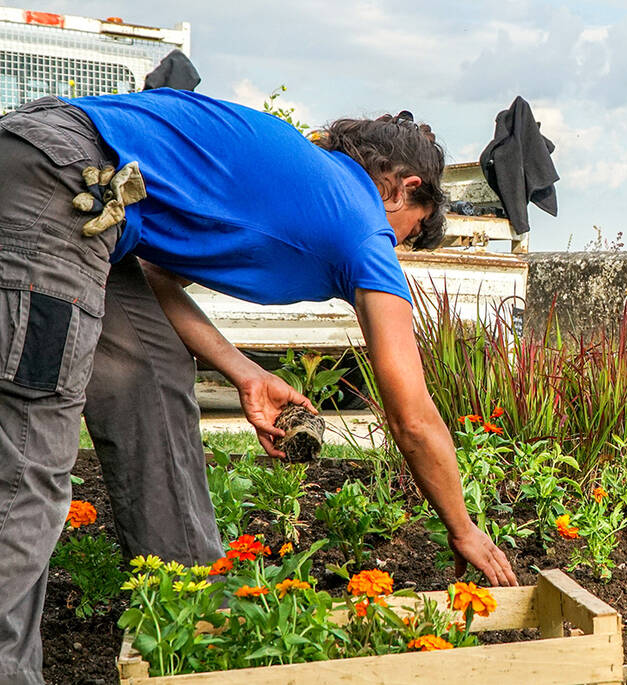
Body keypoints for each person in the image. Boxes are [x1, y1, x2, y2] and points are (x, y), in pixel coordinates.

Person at [0, 89, 517, 685]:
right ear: (404, 188)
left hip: (95, 210)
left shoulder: (303, 178)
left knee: (152, 370)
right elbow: (412, 417)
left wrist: (244, 372)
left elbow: (155, 275)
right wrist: (462, 527)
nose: (394, 247)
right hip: (58, 179)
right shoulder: (360, 221)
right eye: (407, 233)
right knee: (26, 462)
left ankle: (194, 617)